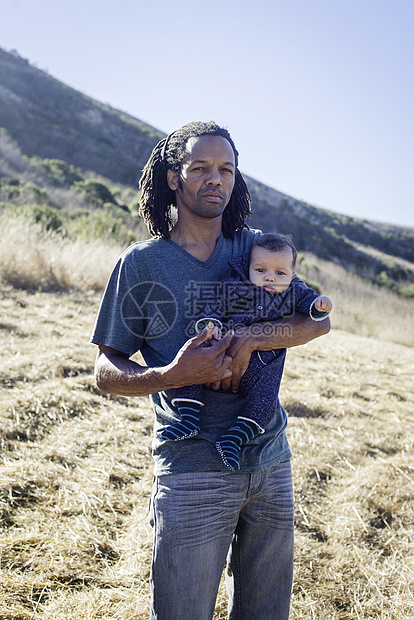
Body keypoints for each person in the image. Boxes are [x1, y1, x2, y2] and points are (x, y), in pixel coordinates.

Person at [91, 121, 330, 620]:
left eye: (226, 168)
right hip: (192, 472)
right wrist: (172, 375)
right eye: (200, 167)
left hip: (269, 464)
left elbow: (317, 320)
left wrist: (250, 340)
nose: (214, 178)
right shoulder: (141, 265)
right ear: (174, 178)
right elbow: (105, 370)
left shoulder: (255, 249)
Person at [161, 232, 333, 471]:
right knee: (193, 363)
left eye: (279, 273)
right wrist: (211, 324)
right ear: (248, 267)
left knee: (265, 403)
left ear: (292, 276)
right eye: (260, 270)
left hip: (264, 366)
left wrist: (319, 305)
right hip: (221, 352)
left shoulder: (293, 292)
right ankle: (189, 418)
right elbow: (214, 305)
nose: (269, 278)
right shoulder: (234, 287)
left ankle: (234, 439)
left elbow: (311, 305)